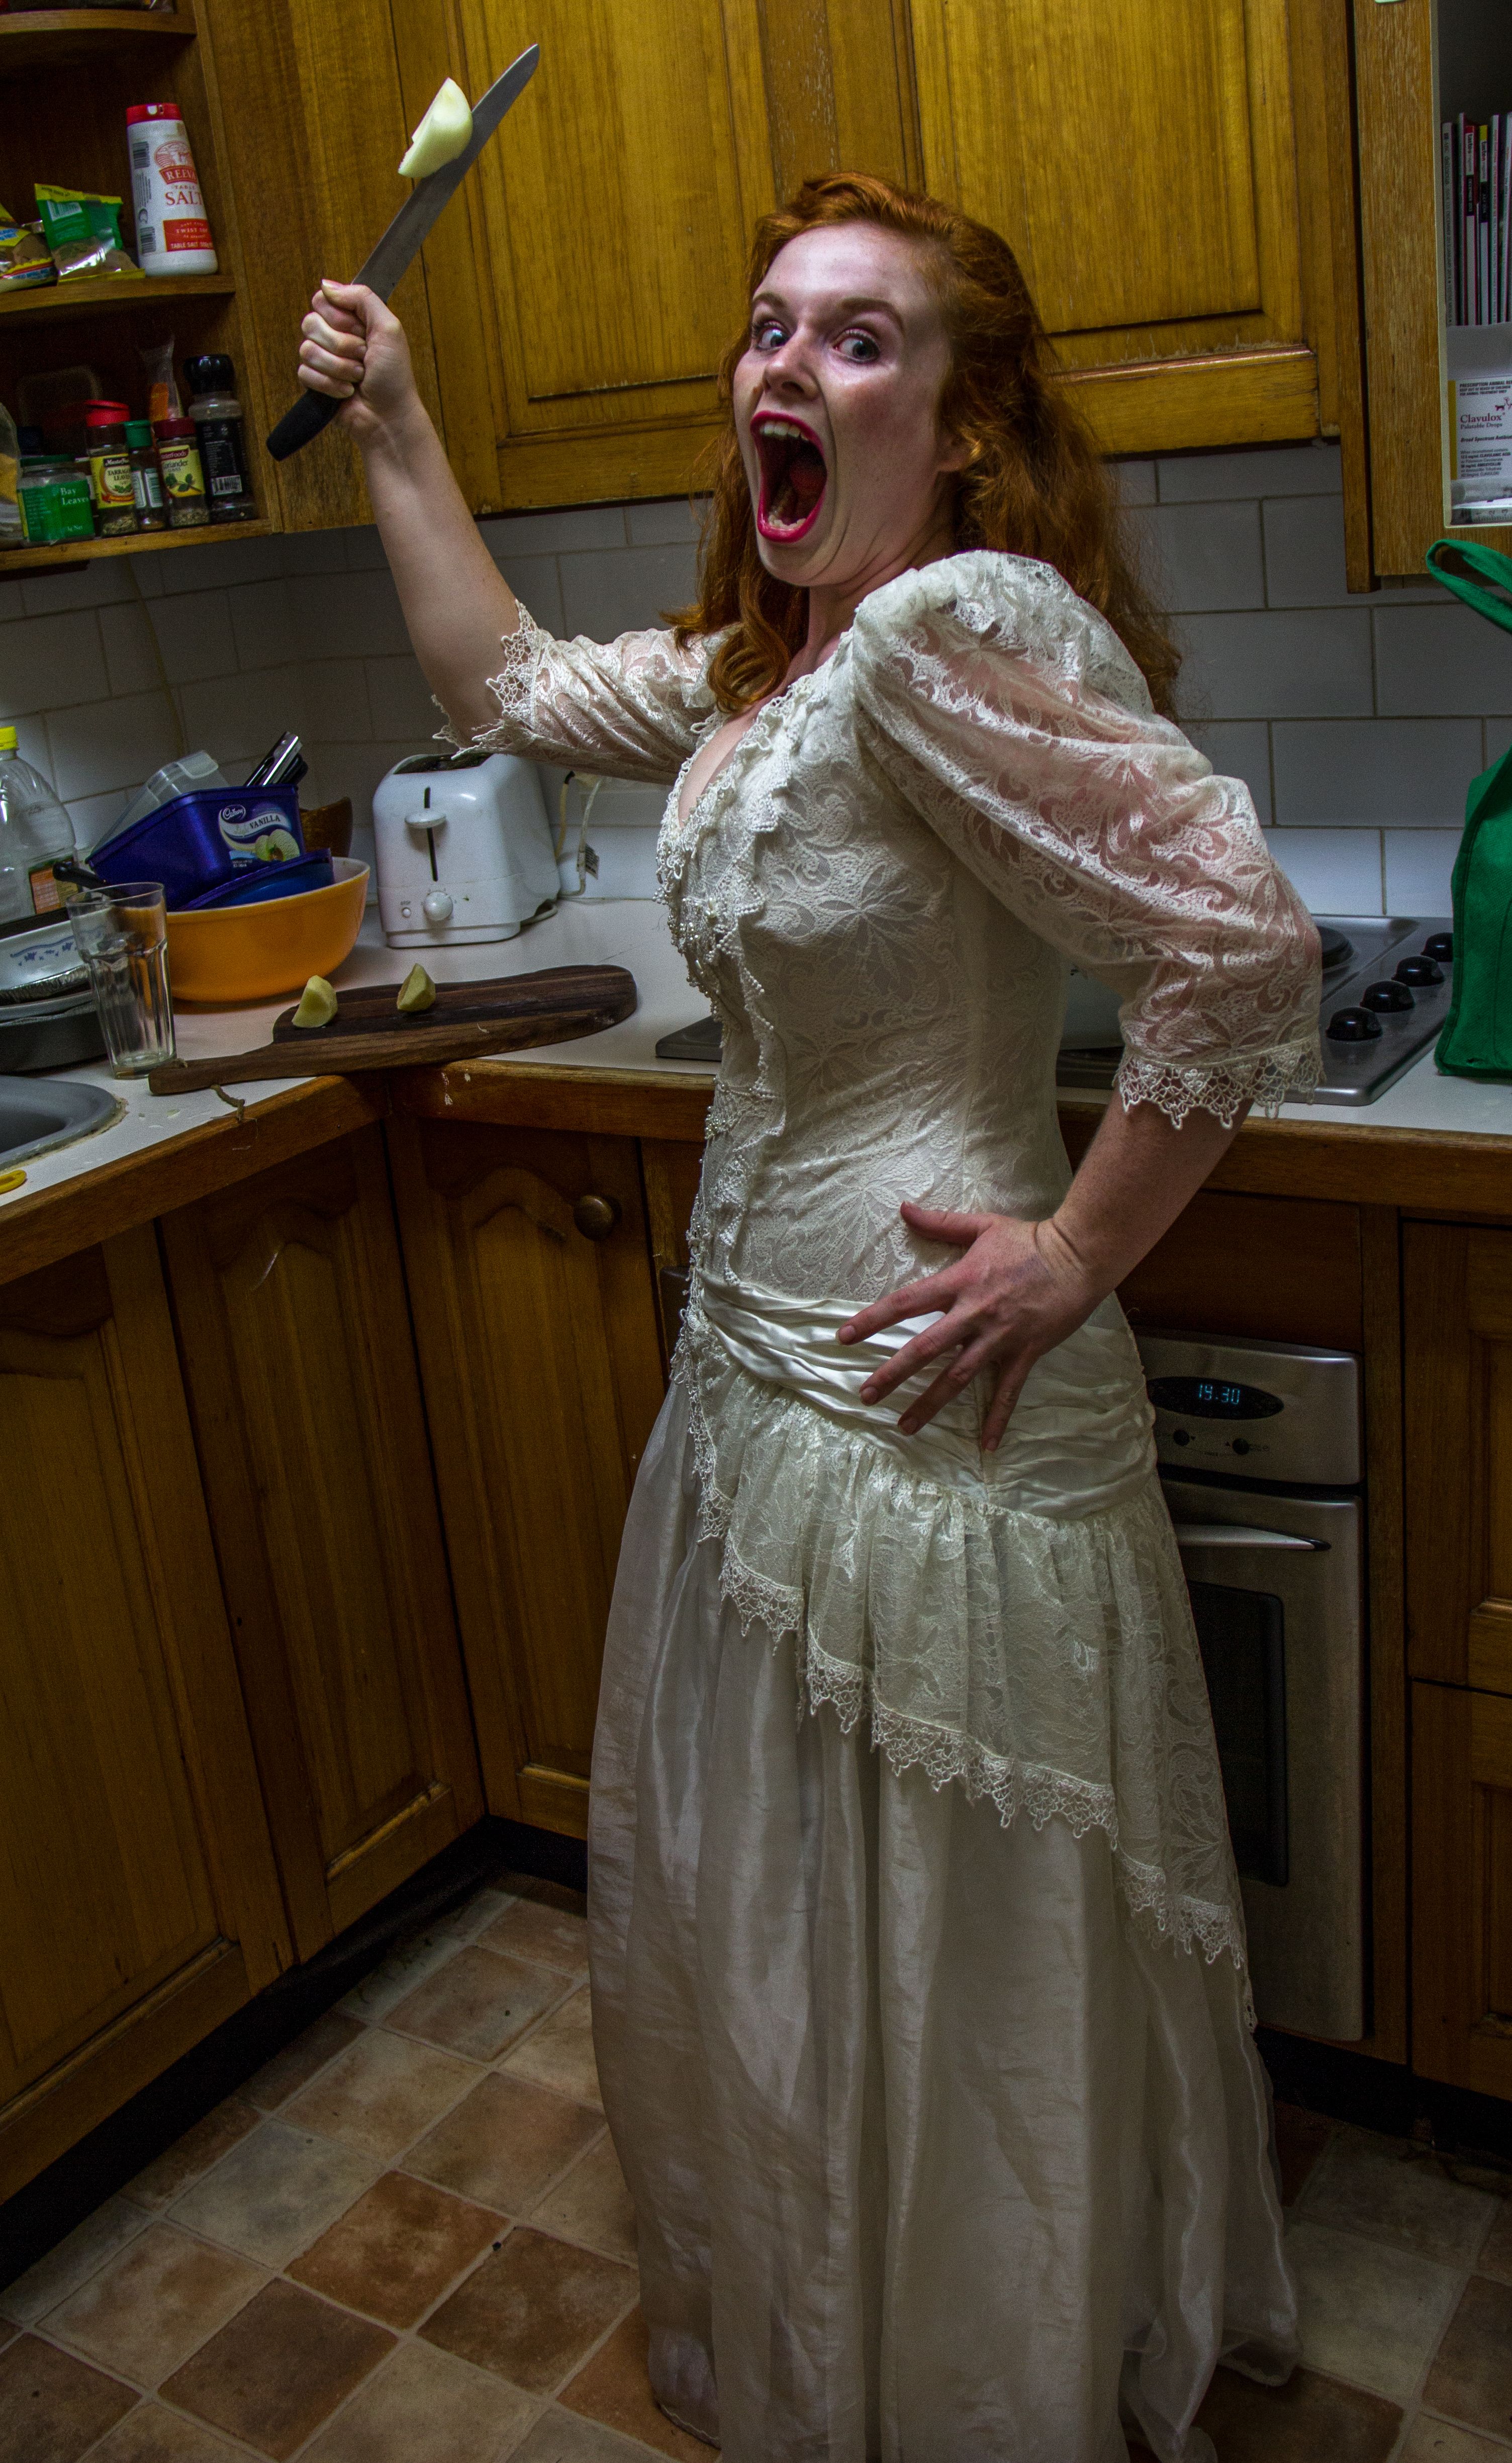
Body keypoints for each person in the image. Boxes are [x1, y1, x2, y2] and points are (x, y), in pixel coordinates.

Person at [298, 170, 1316, 2463]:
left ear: (960, 424)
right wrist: (397, 419)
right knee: (811, 1912)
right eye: (769, 328)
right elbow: (508, 685)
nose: (790, 366)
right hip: (757, 1376)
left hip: (923, 1394)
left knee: (942, 1927)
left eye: (861, 339)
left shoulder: (948, 624)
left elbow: (1232, 949)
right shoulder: (773, 673)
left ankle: (975, 2371)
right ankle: (846, 2315)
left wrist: (1076, 1248)